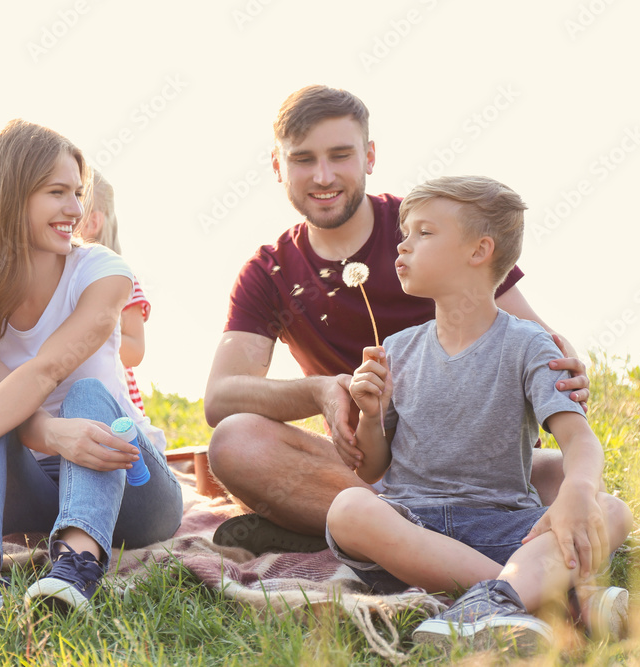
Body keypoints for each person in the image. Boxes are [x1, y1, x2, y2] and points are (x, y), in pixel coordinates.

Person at [205, 85, 589, 553]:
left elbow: (534, 334)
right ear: (276, 166)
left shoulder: (431, 226)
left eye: (340, 155)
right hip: (369, 470)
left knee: (571, 475)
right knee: (235, 443)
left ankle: (365, 537)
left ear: (368, 155)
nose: (323, 176)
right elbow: (221, 398)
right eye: (303, 159)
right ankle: (404, 533)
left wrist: (563, 362)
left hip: (469, 467)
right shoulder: (270, 271)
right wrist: (320, 389)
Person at [325, 176, 632, 653]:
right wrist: (369, 415)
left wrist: (578, 490)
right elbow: (370, 468)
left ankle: (487, 605)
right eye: (404, 233)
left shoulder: (530, 344)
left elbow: (579, 440)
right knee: (348, 508)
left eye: (423, 233)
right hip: (412, 524)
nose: (402, 246)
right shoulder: (397, 350)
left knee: (611, 511)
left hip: (506, 526)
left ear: (479, 250)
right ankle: (541, 600)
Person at [0, 119, 183, 617]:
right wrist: (53, 436)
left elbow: (48, 370)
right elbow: (6, 403)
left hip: (131, 487)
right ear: (10, 197)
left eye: (77, 192)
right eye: (57, 193)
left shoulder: (103, 272)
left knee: (88, 395)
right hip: (33, 489)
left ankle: (75, 569)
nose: (76, 210)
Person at [75, 170, 165, 450]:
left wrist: (87, 333)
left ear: (91, 222)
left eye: (76, 198)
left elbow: (135, 351)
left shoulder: (121, 280)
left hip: (118, 410)